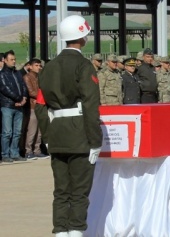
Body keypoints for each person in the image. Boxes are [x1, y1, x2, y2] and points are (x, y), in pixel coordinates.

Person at [37, 15, 103, 237]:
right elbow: (91, 106)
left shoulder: (48, 67)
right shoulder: (84, 66)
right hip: (80, 136)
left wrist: (47, 136)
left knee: (61, 192)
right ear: (82, 37)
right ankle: (75, 232)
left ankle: (60, 232)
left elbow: (40, 106)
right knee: (79, 192)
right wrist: (95, 141)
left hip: (56, 135)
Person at [0, 50, 28, 162]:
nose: (14, 61)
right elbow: (5, 89)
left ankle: (14, 153)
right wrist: (18, 98)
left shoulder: (17, 73)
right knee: (7, 132)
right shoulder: (2, 75)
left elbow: (23, 86)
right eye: (11, 59)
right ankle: (5, 154)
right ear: (5, 60)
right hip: (7, 106)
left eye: (14, 59)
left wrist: (24, 97)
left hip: (19, 106)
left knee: (17, 132)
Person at [23, 58, 47, 159]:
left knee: (40, 130)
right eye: (36, 65)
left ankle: (37, 150)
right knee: (32, 130)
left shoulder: (40, 77)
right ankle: (28, 151)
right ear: (30, 66)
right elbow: (31, 92)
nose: (38, 67)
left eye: (39, 65)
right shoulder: (27, 77)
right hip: (33, 106)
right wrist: (44, 95)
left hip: (41, 106)